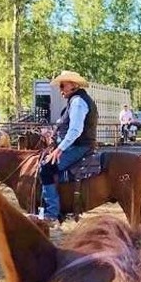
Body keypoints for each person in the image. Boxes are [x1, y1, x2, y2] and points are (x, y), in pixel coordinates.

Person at [38, 70, 98, 225]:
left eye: (63, 85)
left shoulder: (78, 102)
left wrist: (59, 149)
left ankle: (52, 213)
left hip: (79, 146)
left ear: (74, 85)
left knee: (46, 169)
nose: (61, 89)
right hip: (77, 144)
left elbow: (75, 131)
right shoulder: (75, 101)